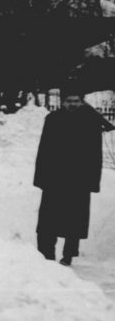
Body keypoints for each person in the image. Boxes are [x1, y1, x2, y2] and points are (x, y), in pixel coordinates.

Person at [32, 87, 112, 265]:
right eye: (69, 101)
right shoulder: (53, 119)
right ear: (62, 102)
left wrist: (92, 181)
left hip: (79, 180)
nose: (73, 104)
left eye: (76, 101)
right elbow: (44, 150)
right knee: (49, 218)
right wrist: (41, 177)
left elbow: (95, 154)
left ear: (82, 102)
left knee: (74, 220)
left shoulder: (90, 121)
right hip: (55, 178)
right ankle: (47, 253)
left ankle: (68, 255)